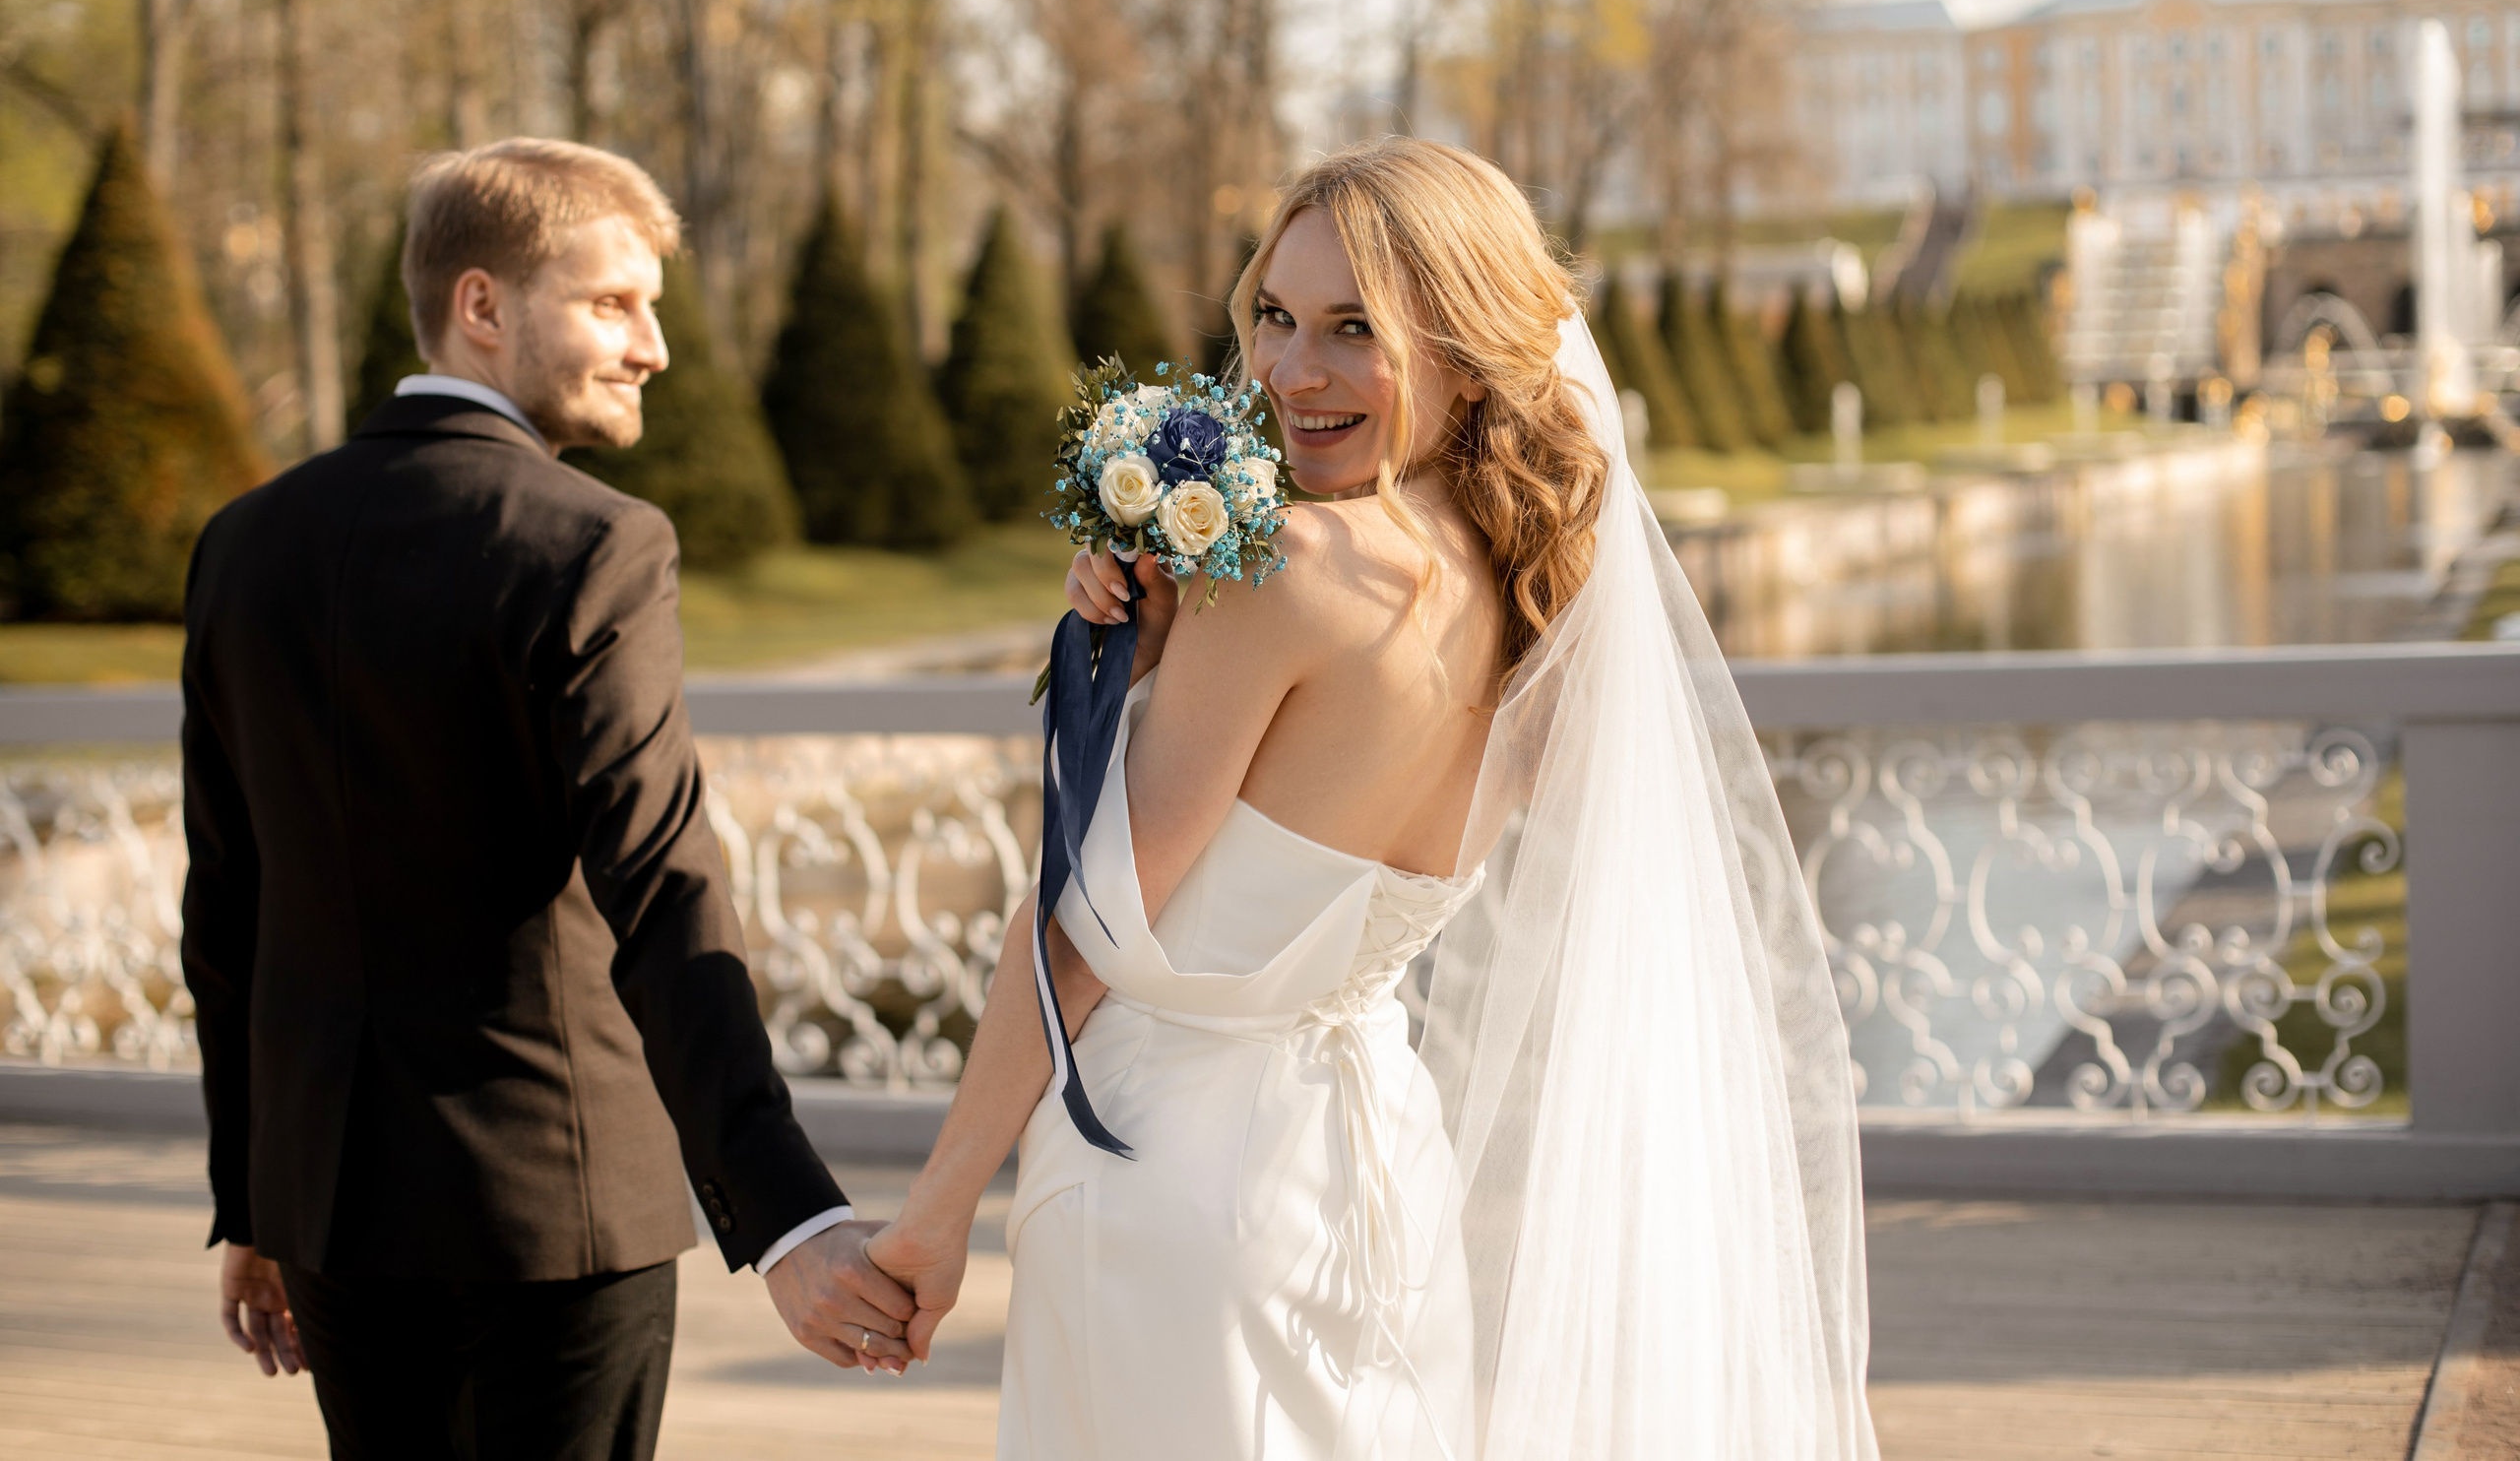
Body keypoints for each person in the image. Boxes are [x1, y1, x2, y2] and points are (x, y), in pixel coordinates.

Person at [866, 138, 1878, 1458]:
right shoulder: (1545, 598)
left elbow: (1081, 933)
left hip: (1166, 1181)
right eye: (1276, 317)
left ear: (1468, 345)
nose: (1292, 372)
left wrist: (935, 1215)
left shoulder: (1287, 567)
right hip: (1379, 1183)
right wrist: (1166, 645)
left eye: (1356, 329)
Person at [178, 139, 916, 1460]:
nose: (654, 347)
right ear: (483, 306)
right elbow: (664, 890)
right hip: (557, 1209)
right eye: (612, 303)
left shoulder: (245, 542)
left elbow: (224, 908)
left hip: (332, 1212)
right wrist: (789, 1213)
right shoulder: (592, 543)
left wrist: (256, 1200)